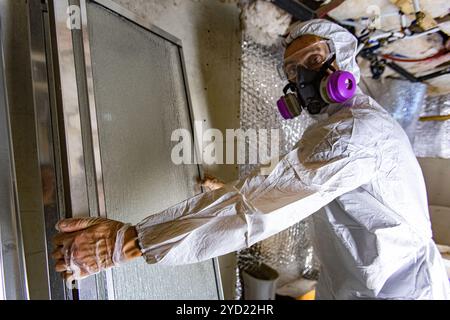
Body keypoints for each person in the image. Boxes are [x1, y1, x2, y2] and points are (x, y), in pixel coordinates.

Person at [52, 19, 450, 299]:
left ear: (344, 65)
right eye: (293, 72)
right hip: (359, 285)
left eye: (313, 61)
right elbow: (290, 187)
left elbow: (264, 203)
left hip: (399, 291)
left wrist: (125, 243)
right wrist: (228, 192)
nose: (302, 79)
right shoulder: (338, 128)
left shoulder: (358, 132)